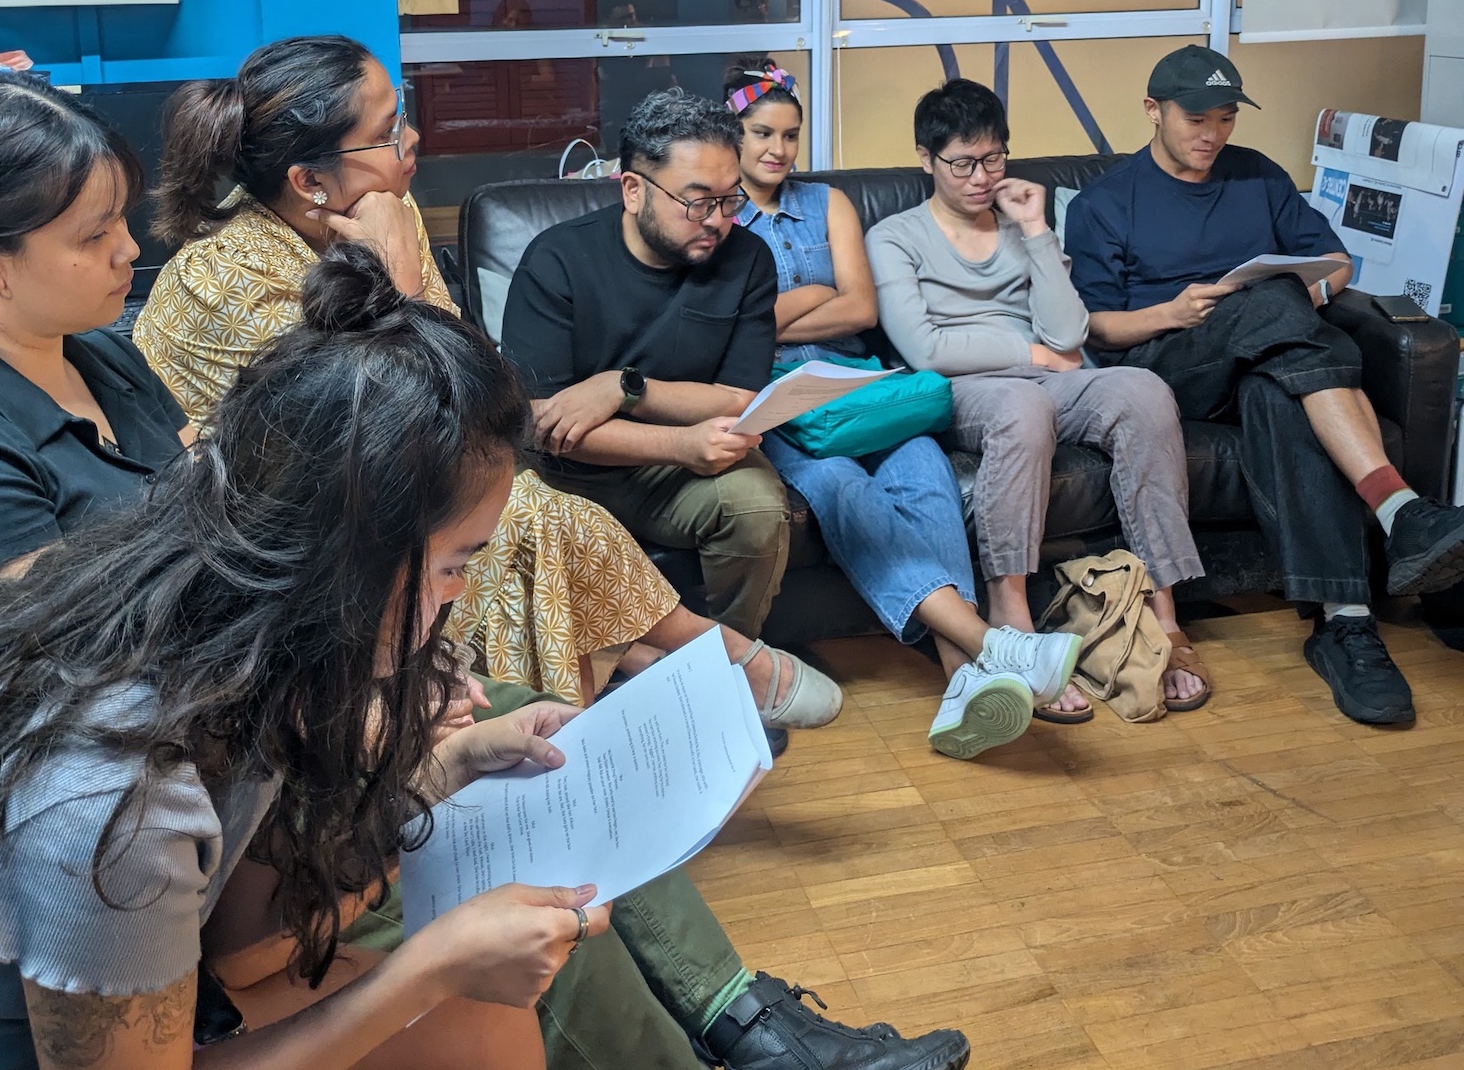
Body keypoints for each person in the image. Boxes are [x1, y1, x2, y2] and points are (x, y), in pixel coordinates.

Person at [0, 247, 603, 1070]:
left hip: (114, 1051)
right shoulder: (114, 787)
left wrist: (447, 770)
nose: (456, 601)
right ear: (351, 555)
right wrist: (425, 967)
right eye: (454, 566)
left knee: (486, 1026)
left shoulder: (236, 630)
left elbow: (247, 941)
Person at [132, 36, 810, 717]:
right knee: (531, 515)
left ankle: (648, 683)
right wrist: (395, 276)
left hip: (407, 474)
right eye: (388, 130)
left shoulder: (390, 213)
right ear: (310, 181)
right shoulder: (223, 277)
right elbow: (375, 427)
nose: (413, 138)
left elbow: (470, 389)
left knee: (533, 512)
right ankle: (694, 661)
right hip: (298, 518)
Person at [1064, 44, 1464, 726]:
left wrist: (1309, 295)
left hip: (1265, 355)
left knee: (1277, 387)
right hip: (1171, 363)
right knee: (1272, 302)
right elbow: (1095, 328)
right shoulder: (1108, 202)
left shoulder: (1258, 177)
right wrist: (1172, 312)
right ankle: (1399, 510)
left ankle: (1347, 622)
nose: (1211, 134)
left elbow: (1335, 261)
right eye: (1196, 118)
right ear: (1152, 111)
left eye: (1224, 118)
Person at [726, 62, 1079, 759]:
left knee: (927, 477)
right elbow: (731, 332)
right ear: (731, 135)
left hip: (863, 382)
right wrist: (801, 306)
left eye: (791, 135)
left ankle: (964, 685)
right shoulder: (713, 210)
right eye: (762, 133)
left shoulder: (827, 203)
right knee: (840, 488)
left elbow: (860, 307)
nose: (777, 149)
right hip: (772, 397)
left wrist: (776, 313)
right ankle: (979, 659)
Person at [866, 79, 1211, 721]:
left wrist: (1034, 229)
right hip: (965, 389)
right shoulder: (895, 236)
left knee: (1143, 390)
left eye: (993, 159)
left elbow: (1069, 332)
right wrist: (1028, 355)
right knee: (1024, 410)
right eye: (962, 163)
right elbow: (927, 349)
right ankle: (1011, 614)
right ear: (925, 158)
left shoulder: (1023, 225)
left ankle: (1165, 615)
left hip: (1050, 376)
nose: (980, 177)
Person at [500, 89, 842, 732]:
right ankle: (648, 670)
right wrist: (676, 441)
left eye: (729, 198)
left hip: (681, 475)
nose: (716, 219)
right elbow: (544, 426)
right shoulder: (558, 259)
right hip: (565, 476)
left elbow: (741, 400)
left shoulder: (746, 260)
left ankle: (720, 682)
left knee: (756, 505)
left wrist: (625, 388)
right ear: (633, 189)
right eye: (696, 201)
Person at [0, 72, 192, 585]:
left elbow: (212, 495)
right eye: (94, 236)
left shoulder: (109, 355)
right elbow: (52, 645)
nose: (128, 250)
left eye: (122, 221)